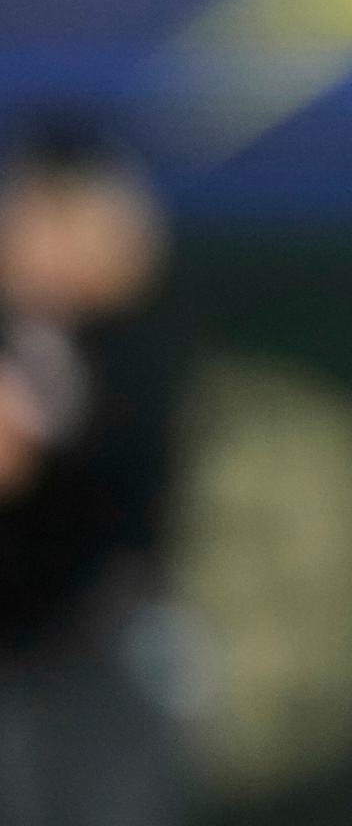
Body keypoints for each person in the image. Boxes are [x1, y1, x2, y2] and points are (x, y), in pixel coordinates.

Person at [0, 119, 184, 826]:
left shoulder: (136, 343)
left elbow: (116, 471)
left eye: (68, 215)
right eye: (36, 213)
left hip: (99, 647)